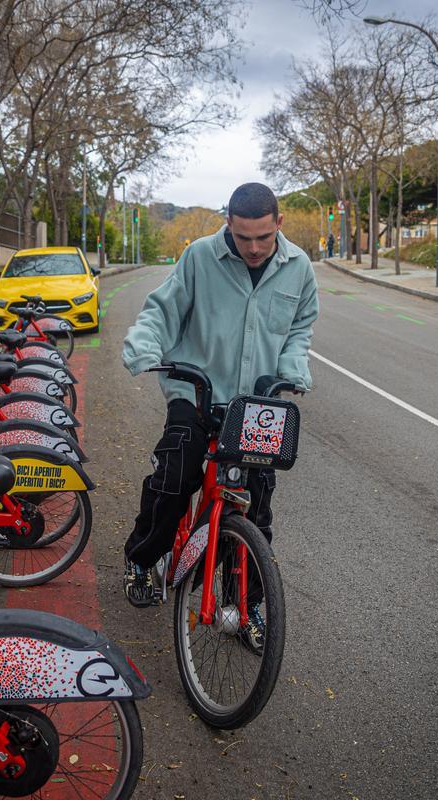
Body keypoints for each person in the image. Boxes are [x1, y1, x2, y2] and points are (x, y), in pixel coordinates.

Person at [120, 182, 319, 651]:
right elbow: (161, 312)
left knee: (257, 503)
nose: (253, 248)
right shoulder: (198, 257)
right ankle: (143, 559)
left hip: (255, 404)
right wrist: (146, 348)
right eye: (244, 236)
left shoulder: (300, 268)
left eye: (263, 238)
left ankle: (246, 605)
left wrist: (292, 370)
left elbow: (300, 328)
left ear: (279, 225)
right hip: (196, 390)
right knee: (176, 476)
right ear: (228, 221)